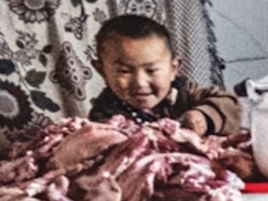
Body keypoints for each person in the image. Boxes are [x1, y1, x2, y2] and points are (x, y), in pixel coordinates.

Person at [87, 13, 239, 138]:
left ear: (173, 69)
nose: (140, 83)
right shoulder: (104, 116)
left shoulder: (184, 92)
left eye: (151, 70)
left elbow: (233, 106)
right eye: (124, 71)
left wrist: (204, 116)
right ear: (102, 71)